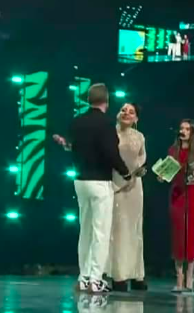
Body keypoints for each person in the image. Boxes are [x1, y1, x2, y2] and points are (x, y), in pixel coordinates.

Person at [64, 84, 133, 294]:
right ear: (107, 101)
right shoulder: (106, 123)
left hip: (80, 181)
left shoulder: (77, 121)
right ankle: (95, 279)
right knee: (100, 232)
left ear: (88, 99)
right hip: (100, 182)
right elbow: (110, 153)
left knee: (85, 230)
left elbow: (72, 147)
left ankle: (83, 277)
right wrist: (125, 172)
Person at [160, 119, 194, 292]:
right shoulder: (173, 150)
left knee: (190, 237)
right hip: (177, 196)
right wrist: (162, 176)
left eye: (187, 129)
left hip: (192, 195)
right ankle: (179, 278)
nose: (183, 131)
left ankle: (190, 277)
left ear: (192, 132)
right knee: (178, 237)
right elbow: (167, 174)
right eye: (181, 128)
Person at [106, 103, 149, 292]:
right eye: (123, 110)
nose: (126, 113)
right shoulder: (109, 134)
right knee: (118, 230)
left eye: (131, 112)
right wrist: (123, 176)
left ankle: (137, 274)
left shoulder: (140, 136)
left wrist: (137, 171)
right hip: (115, 185)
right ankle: (119, 275)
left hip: (134, 188)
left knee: (135, 229)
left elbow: (141, 157)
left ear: (136, 119)